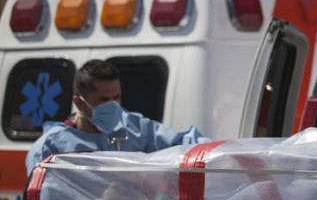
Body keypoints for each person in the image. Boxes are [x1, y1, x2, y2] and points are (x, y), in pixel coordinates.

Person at [25, 59, 210, 174]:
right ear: (79, 103)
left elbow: (182, 141)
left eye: (117, 97)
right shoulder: (50, 148)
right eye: (104, 100)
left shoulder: (132, 128)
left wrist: (217, 153)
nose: (113, 106)